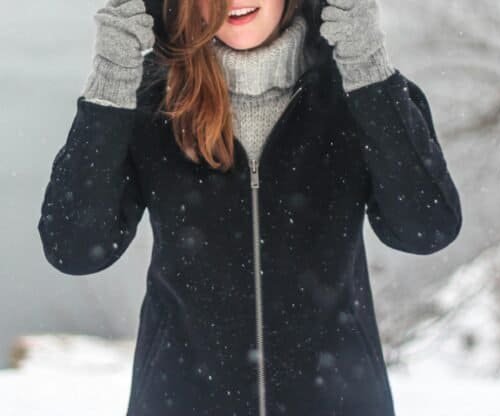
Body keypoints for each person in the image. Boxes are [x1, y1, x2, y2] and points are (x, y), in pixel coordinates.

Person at [36, 0, 462, 414]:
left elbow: (426, 228)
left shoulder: (358, 91)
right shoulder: (153, 101)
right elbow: (74, 247)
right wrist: (112, 81)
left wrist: (367, 65)